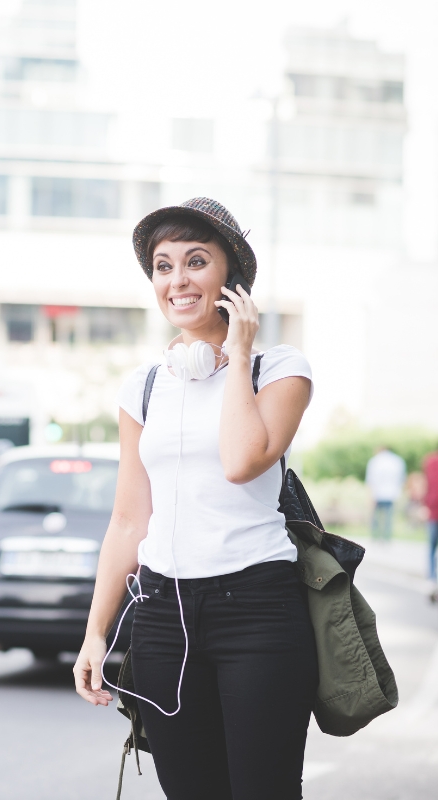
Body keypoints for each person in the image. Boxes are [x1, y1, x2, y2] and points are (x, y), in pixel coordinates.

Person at [73, 197, 317, 800]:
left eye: (196, 261)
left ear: (231, 277)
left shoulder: (278, 369)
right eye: (164, 266)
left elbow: (240, 462)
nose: (177, 280)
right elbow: (128, 519)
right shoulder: (144, 387)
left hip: (257, 610)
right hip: (163, 615)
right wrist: (96, 631)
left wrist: (238, 354)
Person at [365, 447, 406, 540]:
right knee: (388, 517)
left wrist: (369, 495)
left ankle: (375, 535)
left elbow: (370, 480)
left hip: (377, 493)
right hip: (391, 494)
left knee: (376, 516)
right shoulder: (397, 461)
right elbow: (401, 478)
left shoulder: (374, 461)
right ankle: (386, 537)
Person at [422, 450, 438, 600]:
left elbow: (427, 486)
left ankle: (431, 580)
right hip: (433, 511)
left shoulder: (431, 462)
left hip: (434, 511)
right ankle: (432, 580)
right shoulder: (431, 462)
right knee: (432, 547)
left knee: (432, 548)